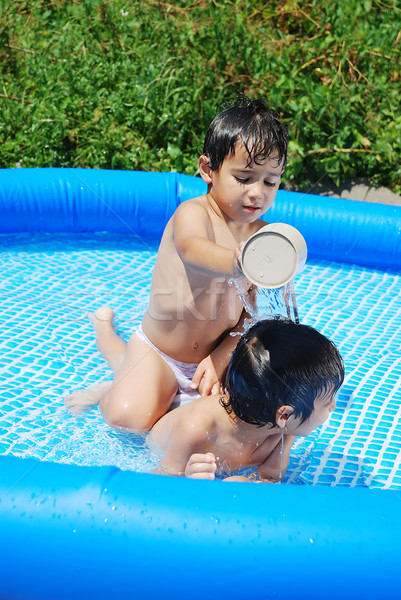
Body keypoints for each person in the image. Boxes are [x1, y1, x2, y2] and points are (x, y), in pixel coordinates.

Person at [65, 95, 289, 431]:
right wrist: (239, 261)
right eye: (244, 178)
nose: (258, 192)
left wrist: (222, 355)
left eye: (270, 181)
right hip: (158, 352)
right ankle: (106, 357)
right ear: (207, 169)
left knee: (238, 426)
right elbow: (193, 250)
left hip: (211, 361)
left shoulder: (263, 237)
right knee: (128, 418)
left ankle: (133, 373)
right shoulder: (193, 214)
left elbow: (253, 314)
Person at [149, 318, 344, 482]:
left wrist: (251, 484)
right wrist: (190, 480)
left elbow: (272, 477)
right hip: (150, 439)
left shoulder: (284, 430)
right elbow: (157, 486)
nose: (334, 407)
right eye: (327, 404)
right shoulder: (197, 428)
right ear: (284, 414)